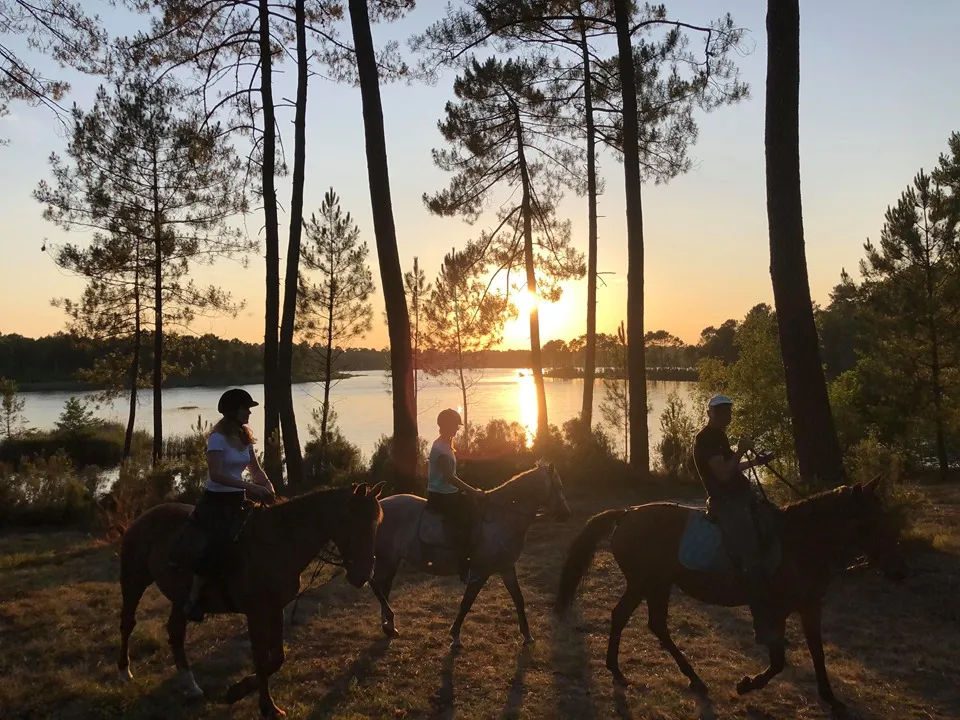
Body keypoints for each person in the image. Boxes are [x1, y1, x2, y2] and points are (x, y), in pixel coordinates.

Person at [692, 394, 782, 649]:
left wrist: (756, 461)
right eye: (721, 412)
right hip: (727, 503)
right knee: (751, 557)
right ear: (710, 413)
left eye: (729, 411)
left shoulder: (719, 437)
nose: (727, 416)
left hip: (741, 498)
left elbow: (731, 467)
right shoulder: (706, 439)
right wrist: (742, 450)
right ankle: (761, 626)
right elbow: (721, 475)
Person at [182, 388, 276, 622]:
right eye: (246, 409)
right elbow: (216, 474)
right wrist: (251, 488)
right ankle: (194, 598)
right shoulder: (217, 438)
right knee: (216, 545)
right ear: (234, 411)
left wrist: (267, 485)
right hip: (216, 502)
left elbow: (255, 469)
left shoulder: (245, 437)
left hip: (237, 501)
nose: (249, 413)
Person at [426, 408, 485, 582]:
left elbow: (453, 477)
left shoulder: (447, 445)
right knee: (465, 522)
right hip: (441, 495)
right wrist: (472, 490)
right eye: (454, 426)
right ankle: (463, 566)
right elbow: (449, 477)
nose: (457, 429)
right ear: (445, 426)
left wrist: (469, 491)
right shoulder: (440, 448)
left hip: (449, 492)